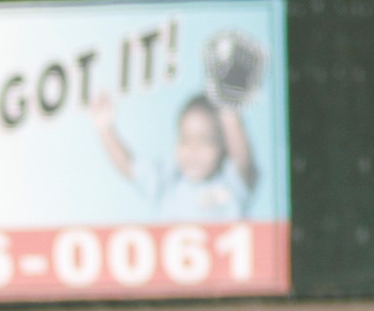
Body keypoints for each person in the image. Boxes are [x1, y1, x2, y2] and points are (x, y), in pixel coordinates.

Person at [90, 90, 258, 221]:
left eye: (205, 140)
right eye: (185, 140)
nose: (193, 150)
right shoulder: (167, 183)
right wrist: (105, 127)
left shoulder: (232, 183)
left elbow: (243, 160)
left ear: (224, 146)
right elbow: (129, 165)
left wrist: (229, 113)